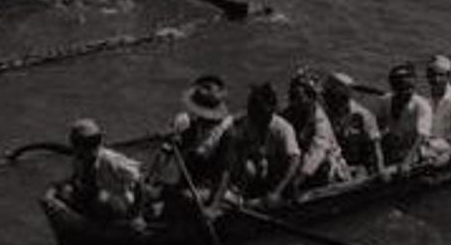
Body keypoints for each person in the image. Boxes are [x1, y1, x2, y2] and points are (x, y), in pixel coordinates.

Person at [210, 82, 301, 209]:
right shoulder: (246, 123)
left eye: (260, 113)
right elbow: (229, 155)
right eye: (253, 112)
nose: (256, 118)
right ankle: (240, 195)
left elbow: (294, 161)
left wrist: (277, 192)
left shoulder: (283, 128)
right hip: (259, 174)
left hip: (279, 179)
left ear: (270, 111)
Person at [154, 74, 234, 203]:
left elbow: (223, 176)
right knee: (155, 193)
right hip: (186, 184)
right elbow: (166, 153)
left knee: (182, 198)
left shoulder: (226, 132)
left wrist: (213, 207)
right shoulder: (186, 122)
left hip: (209, 189)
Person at [58, 118, 144, 227]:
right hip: (95, 199)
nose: (91, 148)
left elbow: (139, 180)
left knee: (101, 199)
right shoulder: (78, 161)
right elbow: (76, 179)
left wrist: (137, 216)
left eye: (93, 142)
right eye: (86, 143)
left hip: (120, 201)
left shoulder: (110, 160)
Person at [282, 69, 349, 189]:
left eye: (298, 97)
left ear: (311, 98)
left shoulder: (320, 121)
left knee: (322, 165)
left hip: (324, 166)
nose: (294, 101)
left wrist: (298, 181)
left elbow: (317, 154)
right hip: (300, 160)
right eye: (292, 96)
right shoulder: (290, 112)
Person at [321, 71, 385, 179]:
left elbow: (375, 147)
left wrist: (381, 171)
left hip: (358, 166)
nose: (326, 99)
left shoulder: (363, 115)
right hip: (333, 162)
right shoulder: (322, 113)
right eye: (326, 95)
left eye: (330, 96)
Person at [374, 62, 432, 176]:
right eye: (402, 88)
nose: (407, 92)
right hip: (394, 144)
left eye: (410, 88)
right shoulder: (385, 101)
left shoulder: (422, 105)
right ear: (393, 87)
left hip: (415, 148)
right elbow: (378, 127)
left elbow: (421, 136)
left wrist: (407, 162)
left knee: (392, 170)